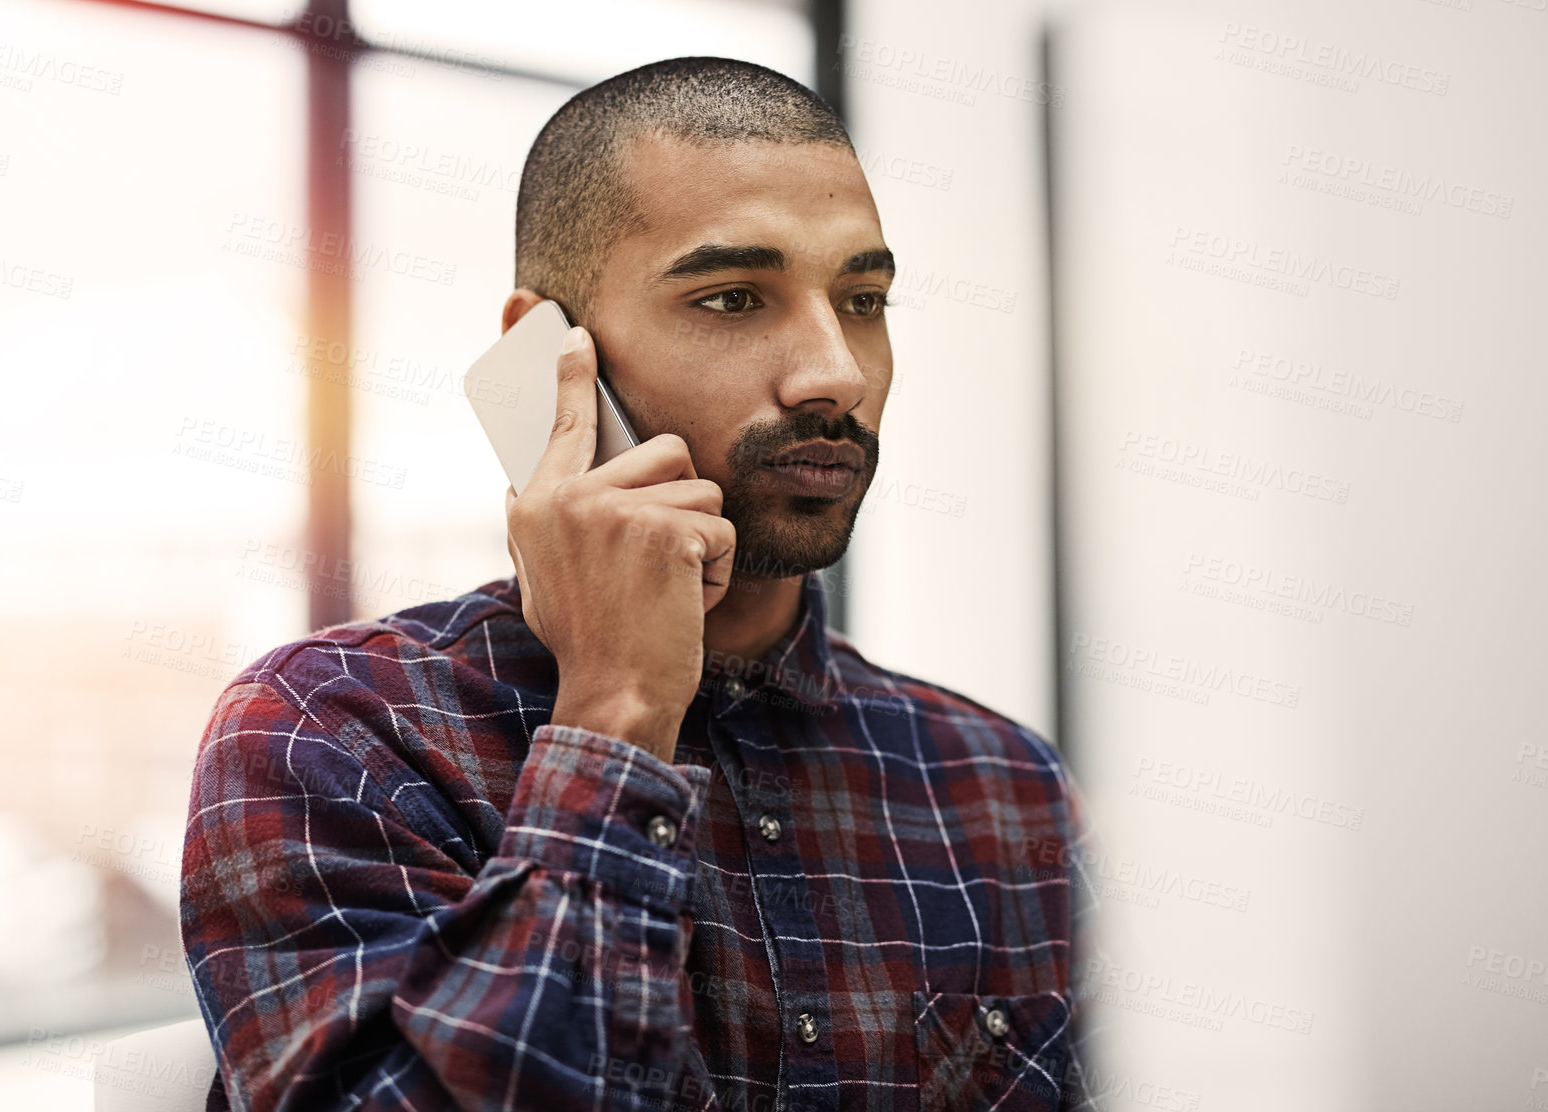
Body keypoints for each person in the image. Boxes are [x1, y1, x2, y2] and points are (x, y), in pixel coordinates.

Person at [181, 55, 1098, 1112]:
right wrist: (617, 713)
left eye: (864, 298)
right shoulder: (332, 733)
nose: (836, 371)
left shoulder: (1004, 782)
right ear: (548, 354)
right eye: (734, 297)